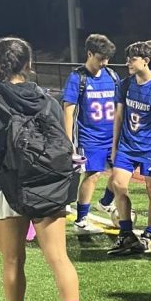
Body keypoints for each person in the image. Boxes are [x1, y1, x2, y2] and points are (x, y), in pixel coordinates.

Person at [0, 37, 83, 301]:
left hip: (7, 187)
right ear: (29, 65)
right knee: (59, 256)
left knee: (12, 259)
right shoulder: (47, 98)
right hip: (48, 184)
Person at [107, 41, 151, 256]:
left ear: (146, 61)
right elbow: (118, 116)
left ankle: (150, 235)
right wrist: (115, 146)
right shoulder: (125, 84)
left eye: (133, 58)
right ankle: (126, 234)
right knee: (118, 184)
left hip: (150, 149)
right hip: (127, 145)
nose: (128, 62)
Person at [61, 34, 119, 232]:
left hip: (113, 137)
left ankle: (105, 202)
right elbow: (68, 112)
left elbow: (119, 107)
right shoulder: (77, 77)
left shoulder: (112, 76)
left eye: (107, 59)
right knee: (93, 175)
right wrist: (69, 142)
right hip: (90, 138)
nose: (104, 62)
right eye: (100, 58)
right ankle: (81, 220)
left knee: (121, 172)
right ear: (89, 53)